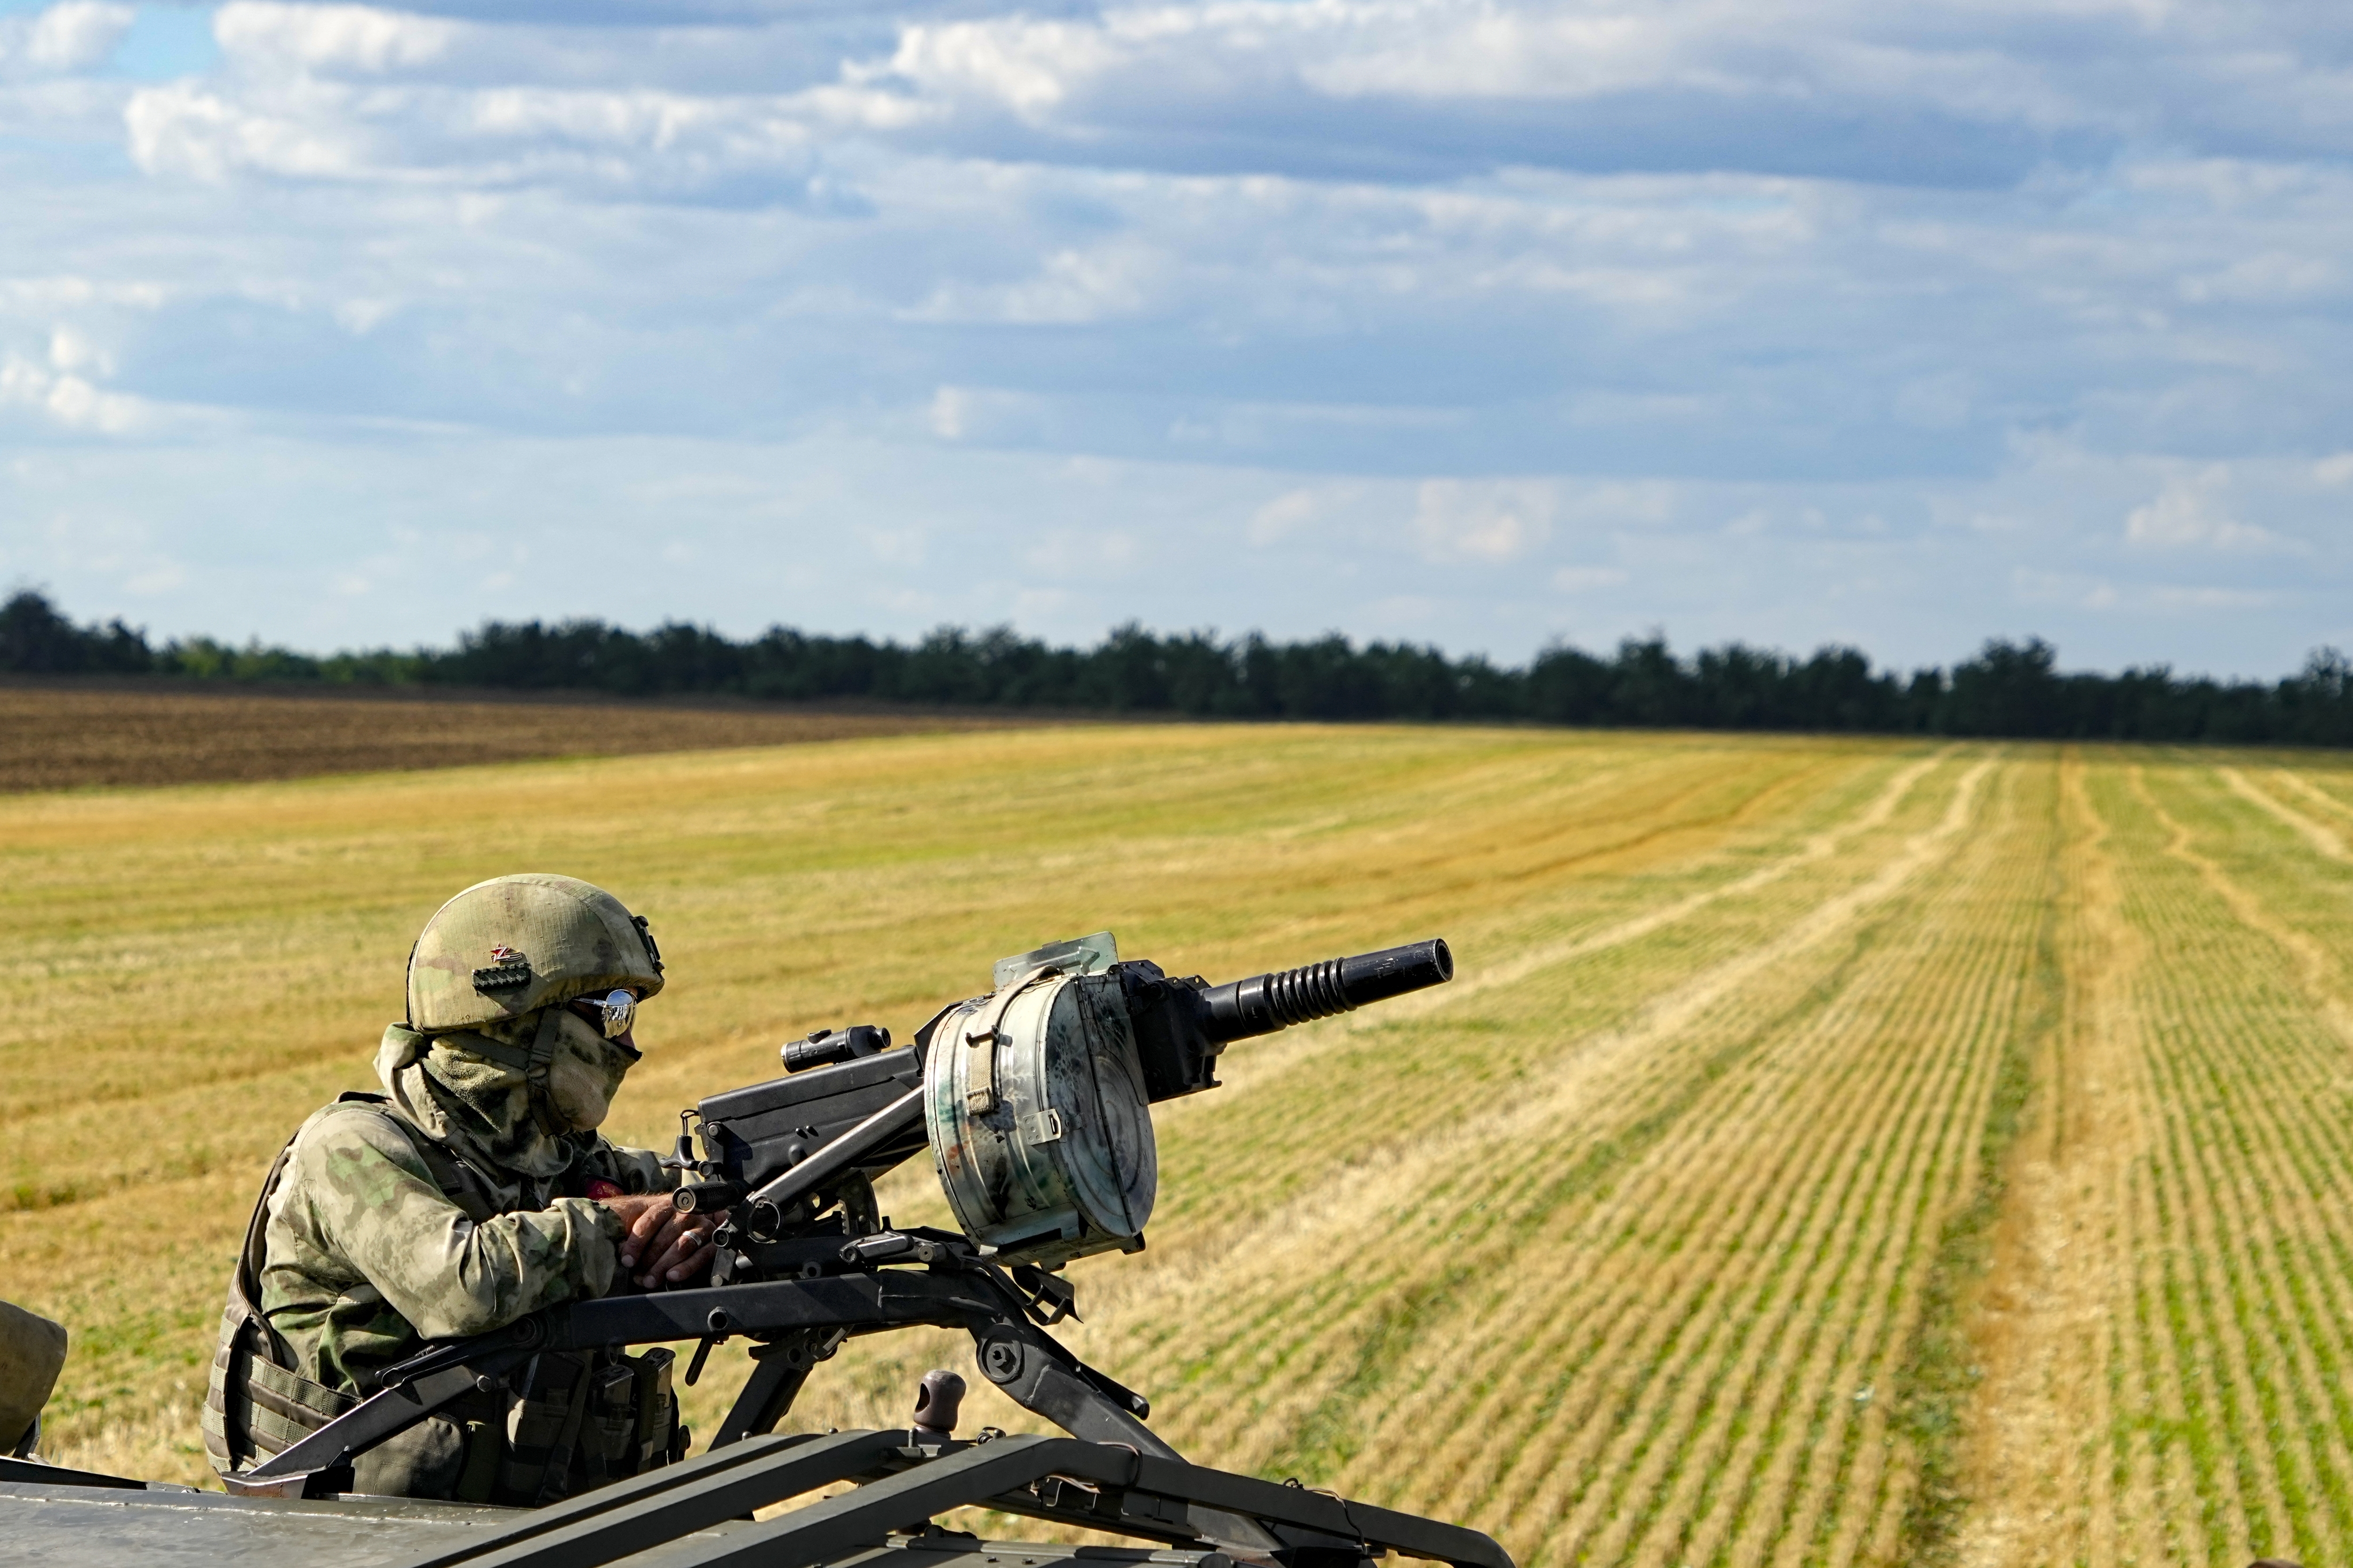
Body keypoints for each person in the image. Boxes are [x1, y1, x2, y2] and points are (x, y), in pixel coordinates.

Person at [204, 873, 721, 1503]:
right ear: (515, 1021)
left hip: (503, 1523)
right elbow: (463, 1286)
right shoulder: (348, 1146)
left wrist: (707, 1215)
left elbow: (669, 1194)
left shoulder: (542, 1149)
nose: (630, 1045)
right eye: (614, 1013)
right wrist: (619, 1227)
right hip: (347, 1530)